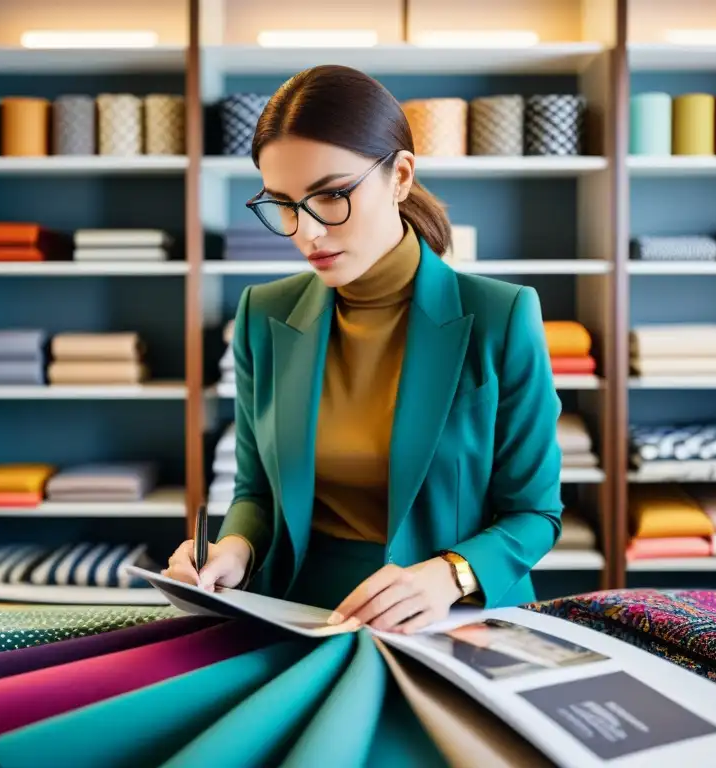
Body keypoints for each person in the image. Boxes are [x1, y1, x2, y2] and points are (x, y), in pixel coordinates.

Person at [164, 64, 563, 634]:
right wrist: (233, 550)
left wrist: (450, 574)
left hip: (448, 620)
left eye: (330, 196)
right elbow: (255, 492)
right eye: (282, 203)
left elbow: (535, 513)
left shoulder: (502, 317)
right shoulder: (264, 314)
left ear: (400, 176)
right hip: (292, 612)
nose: (306, 234)